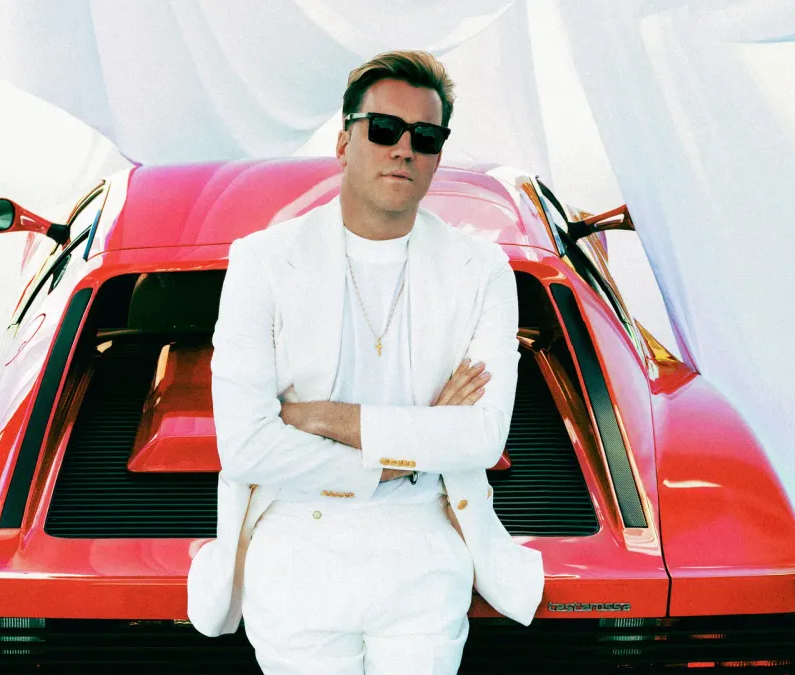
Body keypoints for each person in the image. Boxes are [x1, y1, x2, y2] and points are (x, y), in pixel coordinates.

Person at [185, 49, 546, 673]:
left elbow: (483, 438)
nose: (404, 149)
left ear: (437, 155)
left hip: (425, 547)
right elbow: (244, 447)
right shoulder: (262, 262)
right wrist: (410, 448)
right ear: (344, 142)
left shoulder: (482, 269)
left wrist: (324, 417)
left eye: (425, 137)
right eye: (384, 129)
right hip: (295, 547)